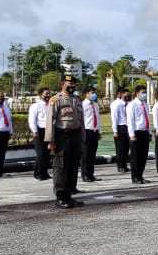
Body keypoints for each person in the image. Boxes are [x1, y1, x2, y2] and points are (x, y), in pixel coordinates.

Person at [45, 74, 86, 208]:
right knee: (61, 166)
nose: (72, 87)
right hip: (62, 136)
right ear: (62, 84)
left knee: (73, 166)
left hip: (75, 135)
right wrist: (50, 140)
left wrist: (83, 137)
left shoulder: (77, 99)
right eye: (69, 84)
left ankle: (69, 195)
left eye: (74, 84)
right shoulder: (56, 100)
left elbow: (81, 121)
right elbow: (50, 121)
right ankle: (60, 196)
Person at [125, 85, 152, 184]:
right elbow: (130, 121)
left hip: (144, 132)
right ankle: (135, 177)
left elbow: (147, 119)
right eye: (143, 92)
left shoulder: (145, 105)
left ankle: (140, 175)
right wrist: (132, 135)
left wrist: (149, 132)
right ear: (137, 93)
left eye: (145, 92)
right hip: (136, 133)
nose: (144, 94)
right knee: (135, 157)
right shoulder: (132, 105)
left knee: (143, 156)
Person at [28, 87, 52, 180]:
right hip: (40, 130)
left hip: (49, 130)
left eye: (49, 94)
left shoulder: (50, 105)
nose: (48, 96)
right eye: (46, 94)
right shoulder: (35, 106)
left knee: (47, 153)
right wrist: (34, 130)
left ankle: (45, 173)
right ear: (41, 95)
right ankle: (38, 174)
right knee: (41, 153)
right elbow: (32, 120)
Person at [81, 86, 102, 182]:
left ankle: (91, 174)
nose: (94, 95)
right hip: (87, 131)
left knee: (92, 154)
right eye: (91, 93)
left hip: (94, 131)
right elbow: (81, 120)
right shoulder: (83, 105)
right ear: (86, 94)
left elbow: (98, 119)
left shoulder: (96, 105)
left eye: (94, 93)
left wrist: (99, 131)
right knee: (86, 154)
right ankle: (85, 174)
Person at [110, 87, 130, 173]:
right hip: (120, 127)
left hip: (127, 127)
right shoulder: (116, 104)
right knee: (120, 148)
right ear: (120, 95)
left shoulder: (128, 104)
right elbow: (114, 118)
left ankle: (125, 165)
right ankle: (120, 166)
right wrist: (115, 131)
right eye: (126, 94)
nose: (128, 95)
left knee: (126, 148)